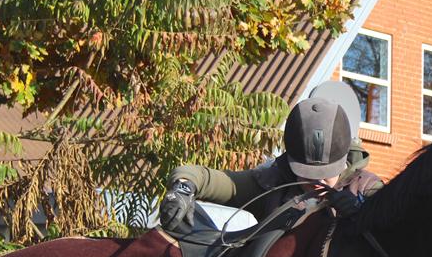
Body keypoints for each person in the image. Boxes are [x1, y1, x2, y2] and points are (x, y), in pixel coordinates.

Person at [159, 85, 381, 233]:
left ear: (343, 161)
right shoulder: (272, 184)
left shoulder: (369, 190)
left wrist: (364, 215)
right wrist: (183, 189)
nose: (318, 182)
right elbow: (202, 177)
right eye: (307, 173)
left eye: (326, 173)